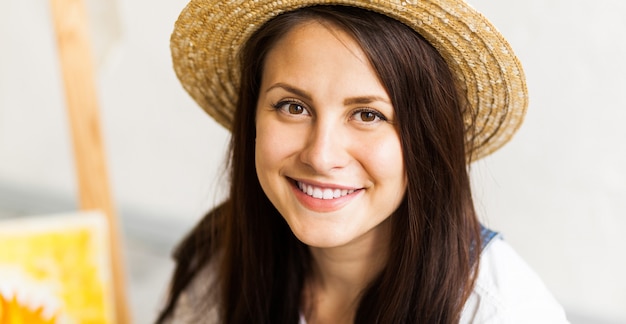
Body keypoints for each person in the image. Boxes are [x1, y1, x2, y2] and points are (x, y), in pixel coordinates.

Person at [157, 1, 569, 323]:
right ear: (253, 119)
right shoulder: (217, 262)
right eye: (292, 106)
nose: (321, 155)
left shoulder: (504, 314)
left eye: (368, 115)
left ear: (427, 139)